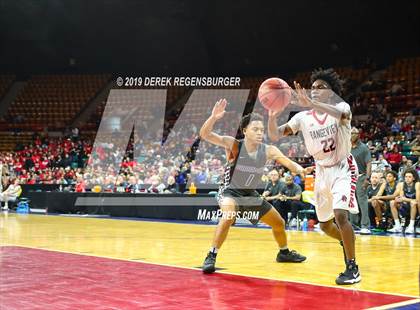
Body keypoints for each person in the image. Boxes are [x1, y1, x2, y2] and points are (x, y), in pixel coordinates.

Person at [268, 68, 361, 285]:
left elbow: (344, 116)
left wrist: (312, 103)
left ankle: (352, 267)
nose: (316, 90)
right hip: (321, 170)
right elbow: (274, 135)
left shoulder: (341, 107)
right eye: (314, 87)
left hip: (342, 168)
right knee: (325, 226)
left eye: (322, 87)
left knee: (341, 216)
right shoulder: (302, 117)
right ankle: (346, 242)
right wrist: (272, 117)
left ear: (332, 92)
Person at [200, 99, 312, 274]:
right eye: (255, 129)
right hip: (230, 191)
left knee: (279, 223)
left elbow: (290, 164)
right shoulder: (234, 145)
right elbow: (205, 135)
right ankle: (211, 255)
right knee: (228, 215)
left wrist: (301, 170)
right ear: (245, 131)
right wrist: (213, 117)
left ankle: (284, 253)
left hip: (250, 194)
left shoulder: (268, 150)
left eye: (261, 130)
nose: (260, 133)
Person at [375, 169, 419, 234]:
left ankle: (411, 226)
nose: (407, 178)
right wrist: (400, 199)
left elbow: (417, 200)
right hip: (405, 205)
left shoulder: (417, 184)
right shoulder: (401, 184)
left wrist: (404, 199)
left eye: (409, 177)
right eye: (406, 177)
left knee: (413, 203)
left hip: (415, 205)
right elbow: (401, 198)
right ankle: (397, 225)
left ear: (414, 178)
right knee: (392, 202)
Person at [350, 127, 372, 234]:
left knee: (362, 202)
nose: (351, 135)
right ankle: (352, 225)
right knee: (350, 202)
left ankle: (365, 225)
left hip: (361, 177)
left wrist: (367, 178)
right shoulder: (346, 147)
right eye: (350, 133)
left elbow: (368, 164)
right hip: (349, 178)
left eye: (354, 133)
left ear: (358, 135)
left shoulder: (363, 148)